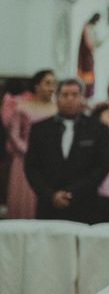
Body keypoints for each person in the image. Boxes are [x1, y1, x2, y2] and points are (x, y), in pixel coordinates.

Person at [24, 79, 109, 224]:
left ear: (82, 98)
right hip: (49, 204)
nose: (70, 99)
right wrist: (51, 195)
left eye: (75, 95)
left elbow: (101, 166)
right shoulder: (40, 129)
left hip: (84, 203)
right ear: (56, 98)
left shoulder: (97, 129)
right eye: (65, 94)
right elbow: (31, 167)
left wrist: (73, 193)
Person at [6, 70, 57, 218]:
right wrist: (31, 153)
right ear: (36, 85)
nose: (51, 88)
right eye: (47, 83)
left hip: (51, 161)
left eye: (54, 84)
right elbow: (14, 136)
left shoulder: (56, 108)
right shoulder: (22, 107)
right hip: (25, 159)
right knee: (26, 200)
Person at [77, 13, 101, 98]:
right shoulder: (87, 27)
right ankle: (85, 92)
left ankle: (88, 93)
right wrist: (97, 42)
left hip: (88, 54)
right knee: (86, 73)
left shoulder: (91, 28)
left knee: (89, 74)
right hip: (85, 55)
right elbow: (89, 43)